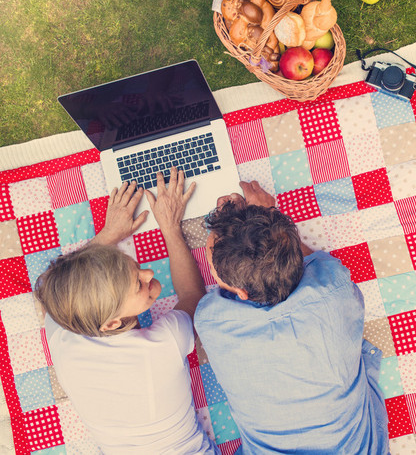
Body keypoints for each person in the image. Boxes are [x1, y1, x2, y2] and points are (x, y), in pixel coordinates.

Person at [194, 181, 390, 454]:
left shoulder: (209, 319)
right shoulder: (335, 288)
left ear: (239, 291)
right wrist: (268, 219)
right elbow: (303, 259)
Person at [35, 168, 220, 454]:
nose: (148, 273)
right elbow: (193, 296)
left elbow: (54, 284)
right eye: (138, 284)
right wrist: (170, 227)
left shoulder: (63, 328)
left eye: (134, 266)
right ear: (111, 323)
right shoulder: (162, 344)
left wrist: (110, 234)